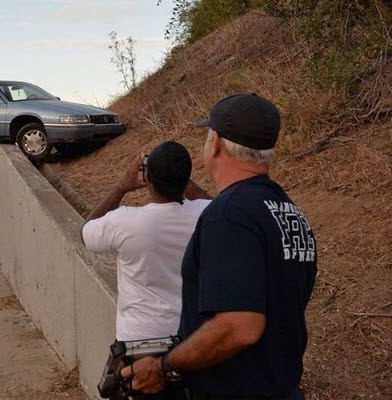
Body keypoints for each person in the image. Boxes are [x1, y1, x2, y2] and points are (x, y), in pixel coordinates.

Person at [122, 94, 317, 400]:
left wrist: (165, 366)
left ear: (215, 143)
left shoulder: (229, 215)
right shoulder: (289, 212)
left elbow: (240, 326)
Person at [82, 141, 212, 399]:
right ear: (186, 178)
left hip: (140, 346)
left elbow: (86, 232)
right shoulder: (205, 215)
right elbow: (220, 204)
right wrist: (182, 180)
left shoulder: (125, 222)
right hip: (192, 340)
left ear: (147, 178)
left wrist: (122, 185)